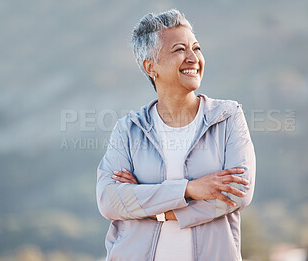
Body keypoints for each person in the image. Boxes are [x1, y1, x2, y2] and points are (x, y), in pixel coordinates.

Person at [96, 9, 256, 261]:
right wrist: (190, 189)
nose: (193, 58)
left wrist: (151, 206)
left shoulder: (228, 117)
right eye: (180, 50)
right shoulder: (128, 129)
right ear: (151, 67)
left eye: (197, 48)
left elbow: (236, 193)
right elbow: (109, 201)